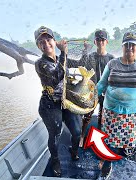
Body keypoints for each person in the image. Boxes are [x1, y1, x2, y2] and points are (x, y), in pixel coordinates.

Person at [96, 32, 136, 178]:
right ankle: (106, 161)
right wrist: (87, 99)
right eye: (126, 45)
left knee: (128, 144)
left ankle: (126, 162)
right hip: (111, 113)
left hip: (131, 114)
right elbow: (101, 85)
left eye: (133, 45)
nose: (129, 47)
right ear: (122, 47)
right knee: (109, 141)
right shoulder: (112, 64)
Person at [34, 26, 82, 177]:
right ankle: (55, 160)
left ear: (54, 41)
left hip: (65, 101)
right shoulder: (40, 63)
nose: (46, 43)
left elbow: (80, 67)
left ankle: (73, 151)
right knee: (55, 135)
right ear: (38, 46)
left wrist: (85, 51)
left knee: (77, 131)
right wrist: (63, 52)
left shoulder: (64, 58)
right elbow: (57, 76)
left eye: (48, 39)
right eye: (41, 41)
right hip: (49, 104)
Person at [67, 30, 115, 144]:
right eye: (98, 40)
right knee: (87, 115)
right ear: (95, 41)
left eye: (103, 40)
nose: (100, 42)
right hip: (91, 92)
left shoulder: (112, 58)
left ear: (106, 42)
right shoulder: (90, 56)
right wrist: (84, 50)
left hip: (107, 93)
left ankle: (98, 139)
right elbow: (79, 64)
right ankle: (82, 137)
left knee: (102, 117)